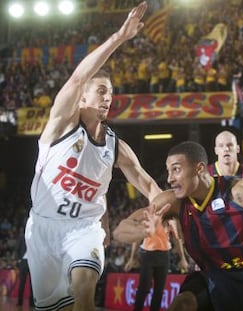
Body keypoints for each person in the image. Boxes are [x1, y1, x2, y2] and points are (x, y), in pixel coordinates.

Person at [25, 3, 162, 310]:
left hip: (84, 229)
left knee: (84, 287)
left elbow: (149, 184)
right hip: (43, 228)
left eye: (110, 93)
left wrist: (172, 207)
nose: (108, 97)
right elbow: (76, 78)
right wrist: (119, 37)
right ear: (83, 96)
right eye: (101, 90)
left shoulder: (116, 147)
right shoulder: (60, 124)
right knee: (51, 306)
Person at [113, 141, 243, 311]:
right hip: (217, 278)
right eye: (168, 171)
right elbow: (120, 230)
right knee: (184, 303)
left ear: (199, 168)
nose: (169, 178)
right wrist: (141, 230)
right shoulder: (172, 202)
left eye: (176, 169)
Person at [124, 219, 188, 311]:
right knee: (144, 287)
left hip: (164, 255)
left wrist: (183, 258)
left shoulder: (170, 218)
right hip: (148, 254)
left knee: (159, 291)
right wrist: (131, 258)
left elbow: (176, 239)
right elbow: (138, 237)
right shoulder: (147, 216)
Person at [15, 226, 34, 307]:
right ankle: (19, 302)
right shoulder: (21, 237)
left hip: (32, 262)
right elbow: (17, 249)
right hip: (23, 261)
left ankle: (32, 303)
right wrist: (18, 259)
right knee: (22, 283)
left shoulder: (34, 237)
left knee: (32, 284)